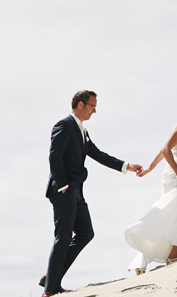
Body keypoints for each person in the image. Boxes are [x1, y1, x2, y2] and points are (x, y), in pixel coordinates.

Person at [42, 90, 143, 296]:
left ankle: (51, 276)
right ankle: (50, 290)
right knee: (63, 237)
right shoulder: (64, 125)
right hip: (64, 190)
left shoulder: (82, 131)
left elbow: (97, 154)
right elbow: (54, 157)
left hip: (77, 191)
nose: (94, 111)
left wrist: (126, 165)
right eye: (92, 106)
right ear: (80, 104)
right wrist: (63, 186)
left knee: (86, 233)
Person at [124, 91, 177, 272]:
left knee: (172, 215)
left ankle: (143, 261)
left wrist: (150, 167)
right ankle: (172, 259)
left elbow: (166, 148)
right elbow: (166, 149)